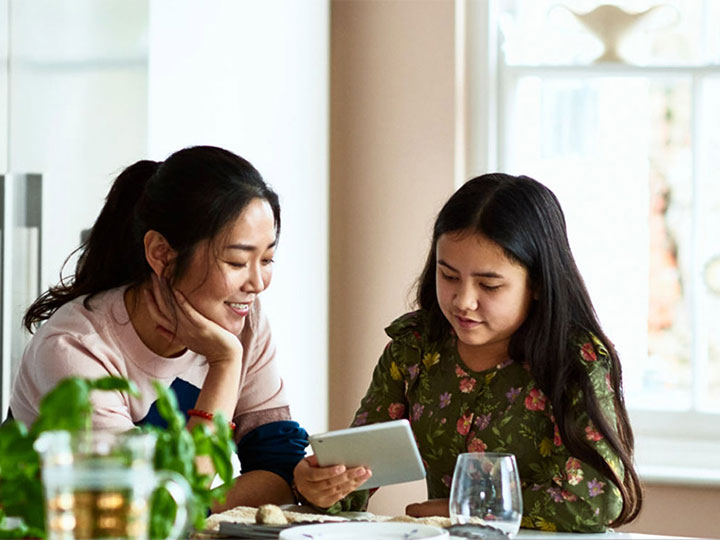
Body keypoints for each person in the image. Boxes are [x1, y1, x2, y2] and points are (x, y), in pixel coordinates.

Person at [294, 173, 642, 533]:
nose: (463, 301)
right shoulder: (415, 347)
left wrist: (465, 509)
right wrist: (319, 486)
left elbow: (597, 498)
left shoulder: (576, 359)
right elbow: (358, 476)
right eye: (448, 276)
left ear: (537, 283)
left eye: (488, 285)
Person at [10, 145, 308, 510]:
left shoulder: (246, 322)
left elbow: (281, 470)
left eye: (266, 259)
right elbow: (149, 511)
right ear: (162, 254)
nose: (257, 283)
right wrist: (225, 363)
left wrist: (195, 504)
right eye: (236, 261)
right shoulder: (75, 349)